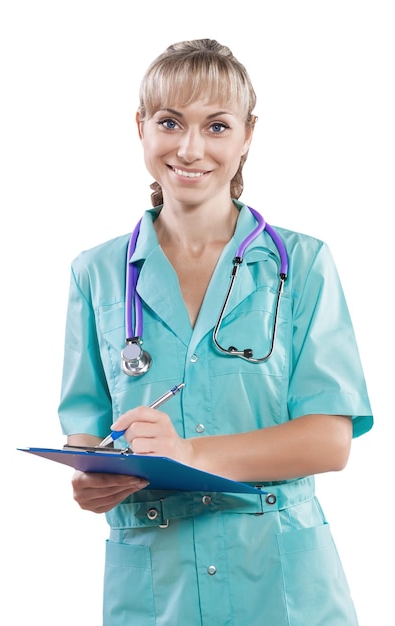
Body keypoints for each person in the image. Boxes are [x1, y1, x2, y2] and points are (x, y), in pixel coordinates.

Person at [58, 39, 373, 625]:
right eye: (170, 122)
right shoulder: (95, 275)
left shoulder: (301, 266)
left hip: (282, 586)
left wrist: (189, 453)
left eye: (217, 126)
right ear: (141, 128)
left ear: (248, 135)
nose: (190, 147)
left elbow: (330, 441)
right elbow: (87, 442)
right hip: (158, 589)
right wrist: (90, 484)